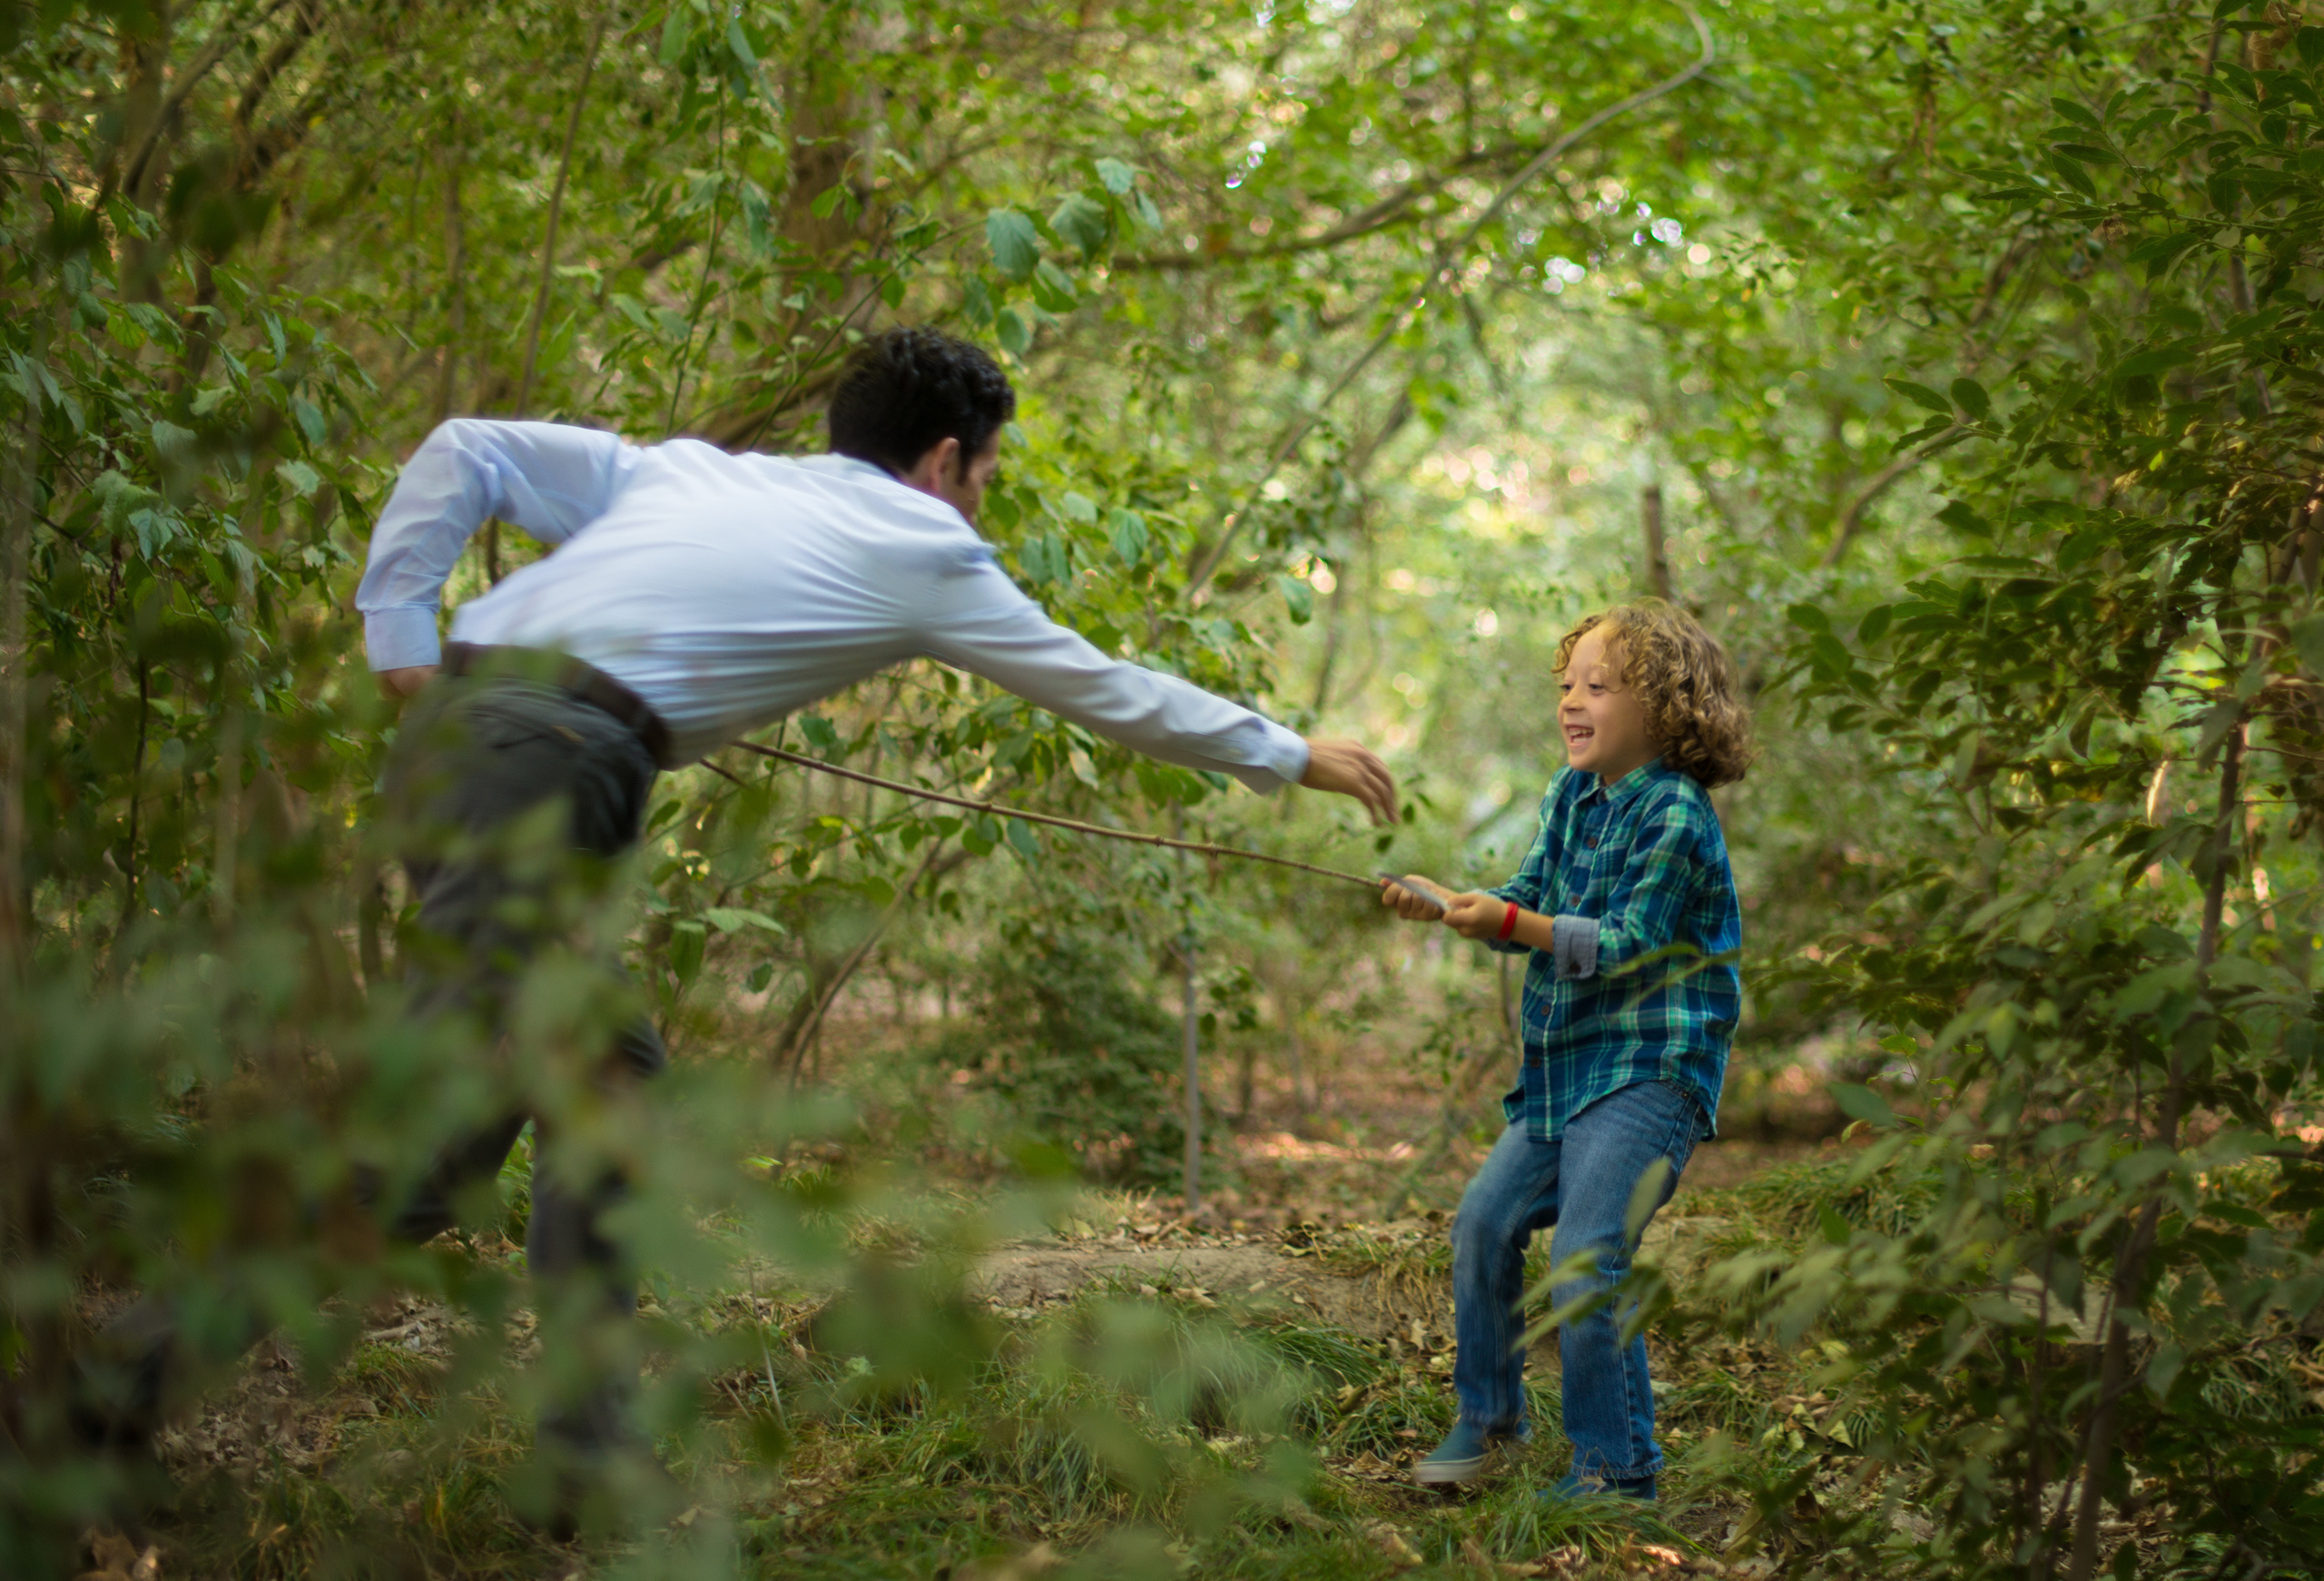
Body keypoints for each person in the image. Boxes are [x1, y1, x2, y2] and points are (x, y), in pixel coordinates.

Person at [82, 329, 1395, 1531]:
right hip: (540, 770)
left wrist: (399, 631)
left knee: (566, 1105)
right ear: (945, 460)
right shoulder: (930, 549)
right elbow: (1107, 689)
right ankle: (117, 1390)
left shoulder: (693, 474)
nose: (982, 498)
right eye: (986, 472)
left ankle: (566, 1462)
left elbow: (465, 448)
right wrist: (1291, 753)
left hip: (491, 758)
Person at [1380, 599, 1749, 1501]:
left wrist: (1511, 919)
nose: (1572, 701)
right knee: (1481, 1222)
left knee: (1586, 1254)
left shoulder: (1675, 813)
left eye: (1601, 685)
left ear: (1665, 709)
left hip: (1651, 1071)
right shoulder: (1566, 795)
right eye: (1567, 684)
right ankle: (1492, 1417)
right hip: (1569, 1068)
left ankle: (1618, 1470)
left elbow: (1623, 941)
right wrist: (1453, 901)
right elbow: (1528, 906)